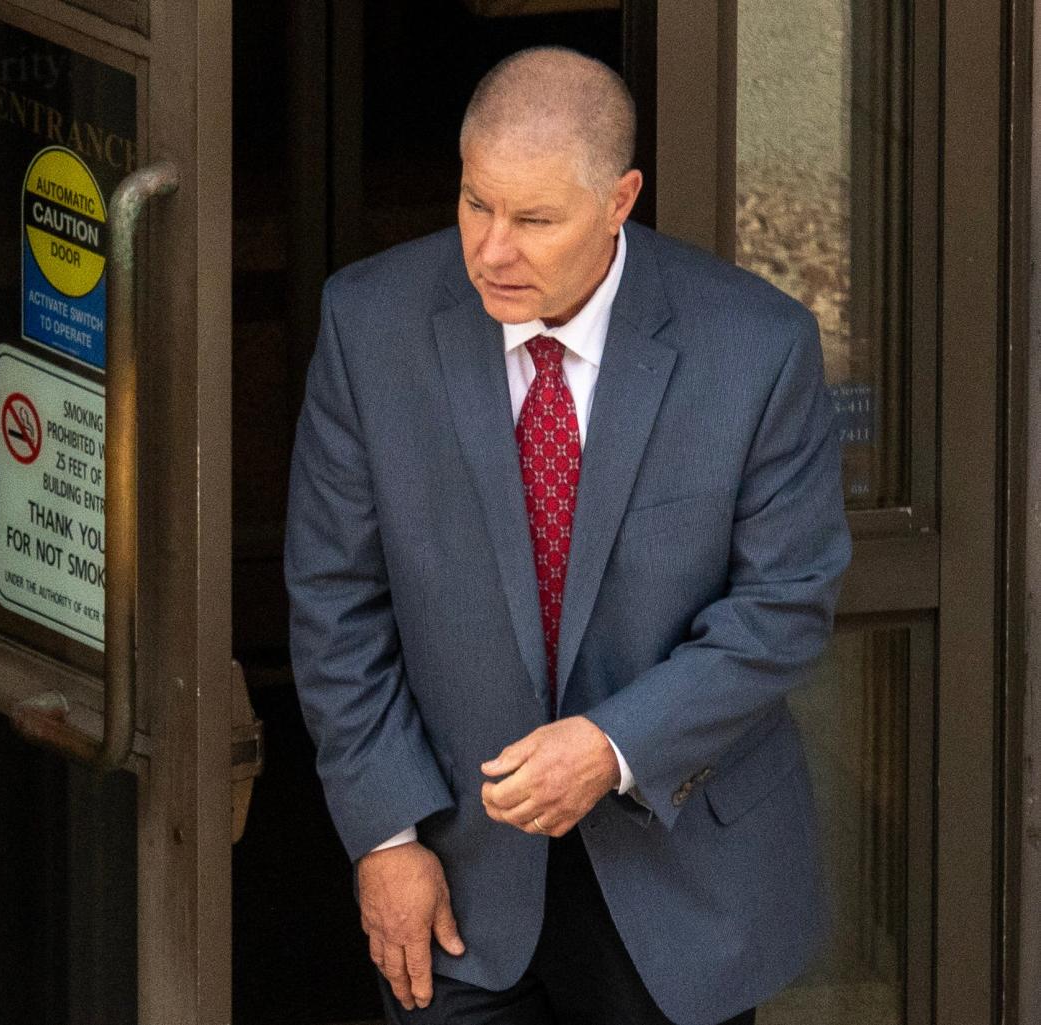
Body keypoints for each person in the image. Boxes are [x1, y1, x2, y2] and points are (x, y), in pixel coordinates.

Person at [284, 46, 851, 1025]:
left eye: (535, 219)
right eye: (475, 204)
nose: (492, 251)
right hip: (455, 879)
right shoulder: (367, 323)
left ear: (620, 199)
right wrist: (385, 836)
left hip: (682, 881)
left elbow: (784, 608)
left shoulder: (757, 347)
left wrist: (613, 744)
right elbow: (336, 599)